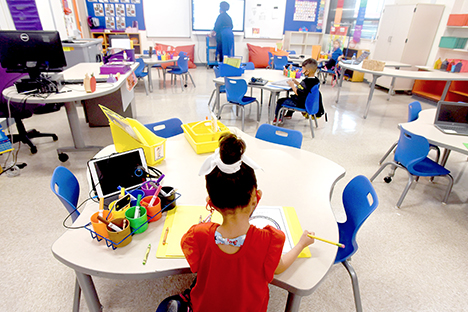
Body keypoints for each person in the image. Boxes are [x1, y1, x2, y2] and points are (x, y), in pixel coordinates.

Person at [180, 133, 315, 312]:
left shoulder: (198, 235)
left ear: (210, 203)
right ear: (256, 198)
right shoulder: (267, 241)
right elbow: (279, 267)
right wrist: (301, 244)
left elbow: (196, 263)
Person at [274, 58, 325, 123]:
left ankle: (277, 119)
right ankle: (289, 114)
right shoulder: (316, 80)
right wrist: (296, 82)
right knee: (293, 98)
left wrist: (292, 85)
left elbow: (298, 93)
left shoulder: (306, 82)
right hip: (309, 103)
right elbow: (305, 89)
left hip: (302, 104)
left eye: (303, 70)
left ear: (308, 71)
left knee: (281, 101)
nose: (302, 71)